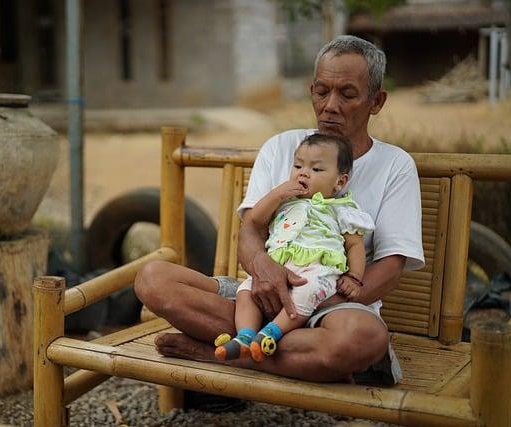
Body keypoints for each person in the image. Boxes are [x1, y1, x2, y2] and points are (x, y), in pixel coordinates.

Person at [134, 35, 424, 384]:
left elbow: (391, 265)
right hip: (261, 291)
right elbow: (251, 230)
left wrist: (315, 302)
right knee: (152, 279)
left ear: (376, 101)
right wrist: (265, 272)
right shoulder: (282, 147)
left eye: (347, 94)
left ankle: (213, 353)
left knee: (363, 339)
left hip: (333, 304)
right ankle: (288, 350)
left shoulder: (395, 165)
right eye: (321, 91)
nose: (330, 105)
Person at [214, 133, 374, 363]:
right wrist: (277, 194)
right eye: (298, 165)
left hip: (317, 269)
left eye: (317, 170)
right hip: (277, 267)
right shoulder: (285, 202)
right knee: (246, 290)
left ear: (340, 182)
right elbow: (255, 220)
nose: (303, 172)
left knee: (307, 292)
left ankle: (271, 333)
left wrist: (355, 277)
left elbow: (355, 245)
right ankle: (245, 336)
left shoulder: (342, 209)